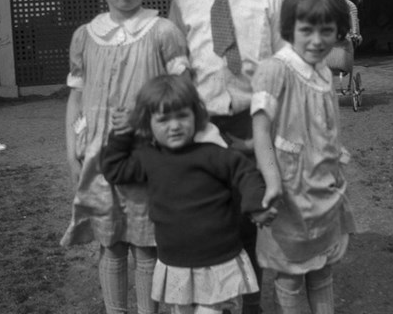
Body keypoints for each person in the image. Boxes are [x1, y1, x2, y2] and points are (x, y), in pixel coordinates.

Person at [60, 0, 190, 314]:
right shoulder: (86, 36)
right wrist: (72, 152)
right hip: (98, 156)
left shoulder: (163, 32)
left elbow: (183, 96)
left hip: (146, 155)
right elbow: (76, 98)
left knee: (146, 243)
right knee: (110, 243)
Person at [169, 0, 285, 314]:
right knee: (205, 221)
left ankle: (252, 303)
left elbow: (281, 70)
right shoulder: (184, 2)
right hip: (202, 126)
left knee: (247, 219)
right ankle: (212, 304)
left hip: (250, 126)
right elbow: (178, 69)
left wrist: (269, 134)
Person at [100, 75, 278, 314]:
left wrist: (256, 205)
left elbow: (246, 173)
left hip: (218, 261)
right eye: (163, 119)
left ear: (196, 115)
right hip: (176, 264)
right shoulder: (150, 157)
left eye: (182, 116)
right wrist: (123, 133)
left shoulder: (213, 154)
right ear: (147, 123)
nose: (174, 126)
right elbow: (115, 169)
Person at [251, 0, 357, 314]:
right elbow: (261, 130)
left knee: (322, 272)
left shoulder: (324, 73)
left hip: (323, 190)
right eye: (306, 30)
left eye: (326, 31)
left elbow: (325, 127)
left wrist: (334, 154)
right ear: (289, 27)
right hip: (290, 194)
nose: (316, 40)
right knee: (290, 278)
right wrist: (270, 183)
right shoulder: (275, 70)